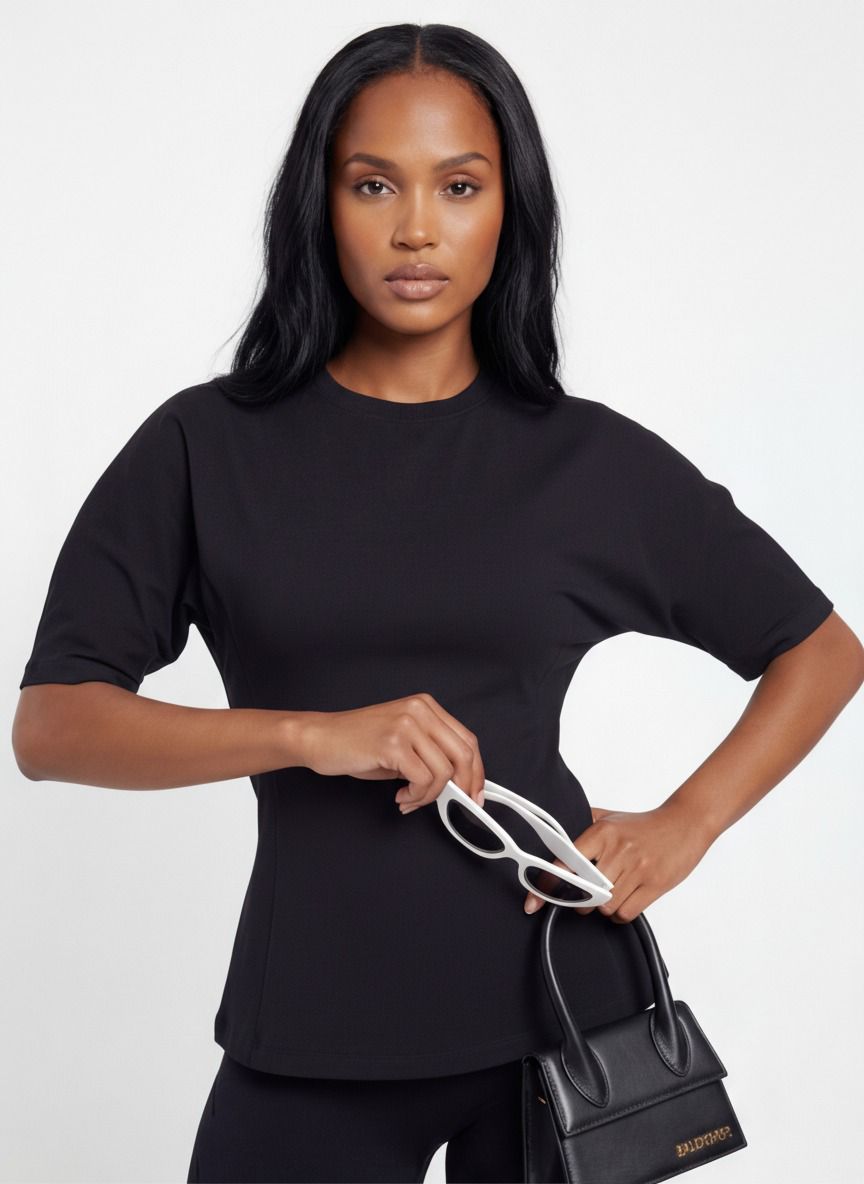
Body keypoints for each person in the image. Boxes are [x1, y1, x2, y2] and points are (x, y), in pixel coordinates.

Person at [12, 21, 864, 1184]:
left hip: (563, 1023)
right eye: (375, 184)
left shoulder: (584, 461)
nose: (417, 228)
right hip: (311, 1022)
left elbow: (820, 647)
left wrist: (687, 821)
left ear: (510, 207)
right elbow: (53, 724)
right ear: (320, 203)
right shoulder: (204, 449)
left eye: (459, 186)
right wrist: (311, 734)